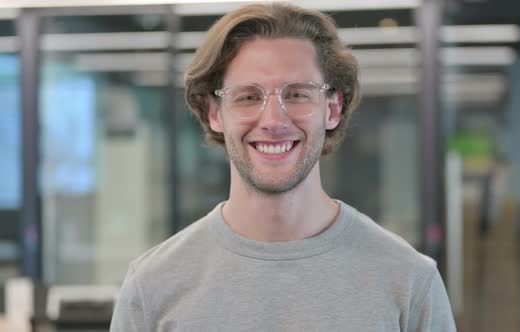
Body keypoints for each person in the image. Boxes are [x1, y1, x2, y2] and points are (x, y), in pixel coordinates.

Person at [110, 3, 456, 331]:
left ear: (332, 109)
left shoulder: (409, 282)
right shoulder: (153, 286)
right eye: (247, 97)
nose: (273, 120)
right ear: (215, 113)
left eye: (298, 94)